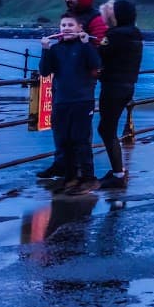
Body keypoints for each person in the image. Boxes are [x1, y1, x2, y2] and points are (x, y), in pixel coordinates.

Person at [39, 16, 101, 193]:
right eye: (63, 25)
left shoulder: (84, 47)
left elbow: (96, 65)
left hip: (82, 101)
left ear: (79, 27)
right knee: (63, 140)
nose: (66, 28)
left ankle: (89, 178)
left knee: (80, 140)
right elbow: (44, 71)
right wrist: (45, 49)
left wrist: (87, 44)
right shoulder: (56, 49)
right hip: (61, 101)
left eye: (70, 25)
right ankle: (71, 177)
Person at [96, 0, 142, 190]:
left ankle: (118, 174)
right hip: (127, 86)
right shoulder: (134, 34)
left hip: (113, 86)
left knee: (106, 129)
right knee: (108, 128)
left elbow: (100, 54)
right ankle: (118, 170)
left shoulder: (115, 35)